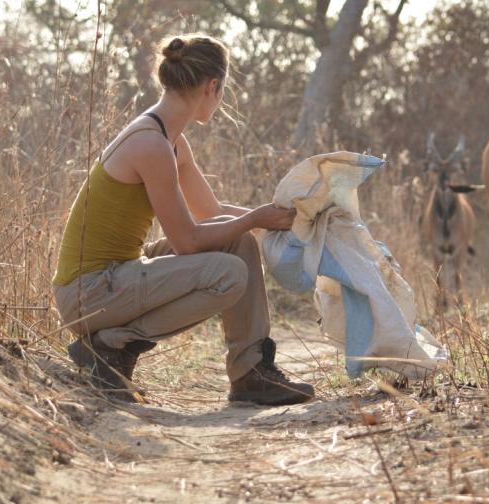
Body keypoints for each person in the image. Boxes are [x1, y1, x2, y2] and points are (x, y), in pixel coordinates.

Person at [51, 34, 313, 406]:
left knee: (238, 243)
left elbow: (212, 212)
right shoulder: (151, 144)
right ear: (213, 86)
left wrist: (281, 219)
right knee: (228, 273)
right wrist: (256, 216)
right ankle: (110, 346)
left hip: (116, 278)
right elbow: (188, 240)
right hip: (89, 292)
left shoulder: (169, 139)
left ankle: (250, 372)